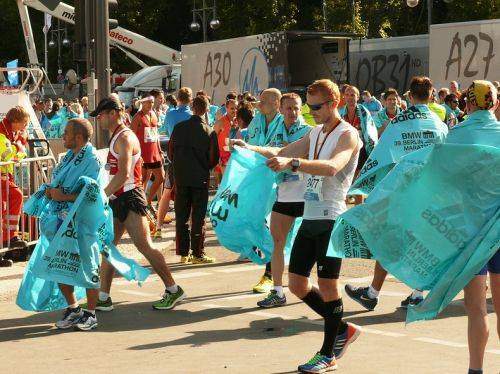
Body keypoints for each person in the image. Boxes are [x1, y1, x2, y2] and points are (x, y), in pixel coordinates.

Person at [239, 79, 362, 372]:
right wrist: (248, 148)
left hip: (331, 217)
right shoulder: (316, 131)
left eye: (316, 107)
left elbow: (333, 166)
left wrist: (294, 163)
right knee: (296, 284)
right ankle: (343, 328)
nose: (311, 112)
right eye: (309, 107)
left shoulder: (348, 134)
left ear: (334, 104)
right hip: (311, 215)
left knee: (328, 286)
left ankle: (328, 354)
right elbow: (282, 151)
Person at [345, 76, 449, 311]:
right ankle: (417, 293)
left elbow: (380, 155)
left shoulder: (399, 122)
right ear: (431, 96)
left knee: (388, 240)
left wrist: (368, 186)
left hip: (401, 192)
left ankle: (373, 293)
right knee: (422, 242)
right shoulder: (439, 124)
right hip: (428, 192)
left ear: (409, 97)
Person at [90, 96, 186, 311]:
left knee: (144, 246)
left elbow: (123, 174)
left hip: (130, 198)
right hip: (118, 198)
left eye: (102, 115)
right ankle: (103, 296)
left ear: (113, 113)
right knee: (108, 247)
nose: (99, 119)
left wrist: (102, 195)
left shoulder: (124, 137)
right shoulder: (117, 136)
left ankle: (173, 289)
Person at [236, 92, 311, 308]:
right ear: (281, 109)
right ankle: (277, 290)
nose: (293, 112)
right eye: (289, 108)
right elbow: (272, 152)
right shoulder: (274, 130)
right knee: (277, 242)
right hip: (284, 194)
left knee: (311, 245)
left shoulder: (309, 132)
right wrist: (248, 148)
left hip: (308, 196)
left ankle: (314, 284)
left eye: (297, 108)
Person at [445, 80, 499, 374]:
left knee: (475, 307)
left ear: (468, 104)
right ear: (495, 104)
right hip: (499, 229)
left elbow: (442, 178)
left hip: (470, 231)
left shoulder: (457, 134)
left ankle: (475, 370)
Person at [46, 119, 102, 331]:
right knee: (60, 264)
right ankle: (74, 308)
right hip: (61, 219)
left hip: (84, 221)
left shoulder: (92, 159)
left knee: (89, 265)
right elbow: (58, 183)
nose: (63, 136)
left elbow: (93, 193)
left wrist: (64, 195)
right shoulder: (68, 157)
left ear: (78, 137)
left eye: (67, 133)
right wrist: (51, 192)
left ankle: (91, 313)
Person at [168, 95, 219, 265]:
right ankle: (197, 253)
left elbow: (170, 152)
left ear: (192, 107)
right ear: (206, 110)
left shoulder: (179, 128)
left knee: (181, 215)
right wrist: (205, 166)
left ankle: (183, 253)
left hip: (181, 176)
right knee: (198, 216)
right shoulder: (209, 131)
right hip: (199, 178)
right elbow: (214, 159)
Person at [246, 88, 283, 294]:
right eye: (260, 100)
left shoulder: (284, 121)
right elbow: (250, 145)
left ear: (277, 103)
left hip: (280, 182)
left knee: (273, 228)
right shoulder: (256, 121)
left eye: (265, 101)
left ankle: (270, 274)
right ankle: (272, 267)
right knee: (262, 224)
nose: (260, 104)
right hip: (259, 180)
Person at [156, 88, 193, 237]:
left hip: (174, 158)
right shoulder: (192, 115)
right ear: (190, 100)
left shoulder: (170, 114)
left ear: (178, 98)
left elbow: (163, 130)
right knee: (190, 194)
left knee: (167, 193)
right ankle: (190, 227)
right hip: (190, 159)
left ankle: (158, 228)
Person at [340, 85, 377, 204]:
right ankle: (343, 206)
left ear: (357, 97)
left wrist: (372, 147)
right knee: (344, 178)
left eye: (353, 95)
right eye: (347, 95)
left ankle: (358, 206)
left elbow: (371, 131)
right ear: (344, 97)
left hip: (361, 148)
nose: (350, 97)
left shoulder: (363, 111)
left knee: (359, 178)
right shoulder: (340, 112)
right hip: (344, 148)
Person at [0, 106, 29, 256]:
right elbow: (7, 156)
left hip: (5, 178)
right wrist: (18, 147)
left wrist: (19, 146)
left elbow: (16, 156)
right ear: (16, 121)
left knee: (15, 197)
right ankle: (6, 240)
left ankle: (8, 238)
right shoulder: (2, 133)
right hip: (1, 177)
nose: (25, 126)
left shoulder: (10, 134)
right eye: (24, 123)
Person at [131, 95, 165, 208]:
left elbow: (156, 135)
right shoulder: (137, 117)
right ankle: (141, 204)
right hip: (143, 153)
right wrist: (135, 154)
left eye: (152, 102)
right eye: (148, 102)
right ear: (142, 103)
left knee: (161, 177)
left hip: (155, 152)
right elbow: (131, 136)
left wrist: (160, 151)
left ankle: (148, 201)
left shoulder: (153, 114)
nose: (150, 104)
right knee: (143, 180)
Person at [213, 97, 238, 185]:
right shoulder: (220, 122)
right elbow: (213, 139)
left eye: (236, 108)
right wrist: (216, 157)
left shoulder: (238, 121)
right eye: (232, 108)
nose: (234, 110)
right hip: (222, 157)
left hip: (234, 156)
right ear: (226, 108)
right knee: (223, 184)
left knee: (231, 184)